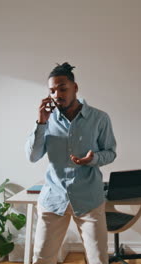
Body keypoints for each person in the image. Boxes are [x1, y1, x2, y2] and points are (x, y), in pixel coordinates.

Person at [25, 62, 117, 264]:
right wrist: (40, 122)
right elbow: (33, 156)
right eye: (52, 90)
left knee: (98, 259)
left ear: (75, 88)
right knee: (41, 258)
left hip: (89, 199)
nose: (57, 94)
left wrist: (93, 159)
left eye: (62, 88)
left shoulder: (99, 118)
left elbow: (111, 152)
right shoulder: (46, 120)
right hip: (53, 198)